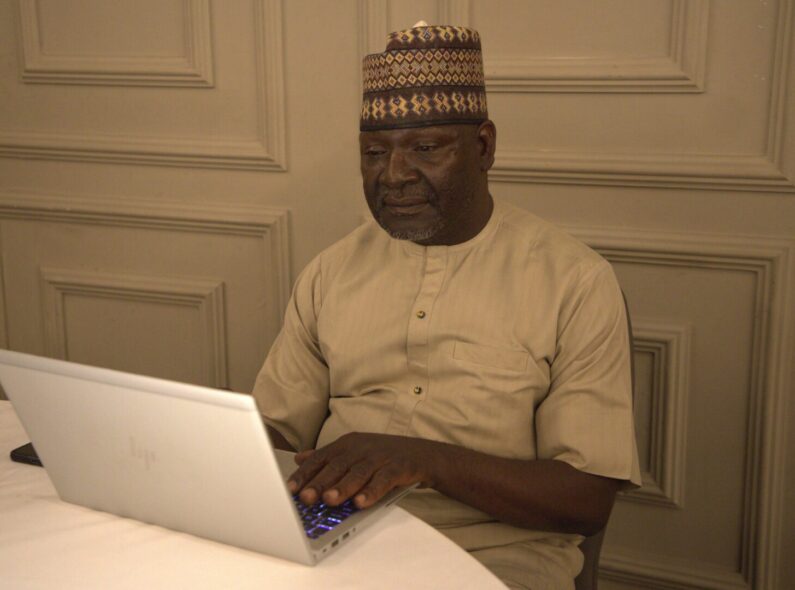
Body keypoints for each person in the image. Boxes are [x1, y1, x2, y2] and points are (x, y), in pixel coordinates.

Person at [252, 23, 641, 590]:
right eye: (374, 153)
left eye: (426, 148)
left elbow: (583, 501)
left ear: (483, 146)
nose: (394, 176)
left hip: (490, 558)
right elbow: (275, 432)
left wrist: (423, 460)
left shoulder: (575, 281)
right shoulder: (330, 272)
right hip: (331, 539)